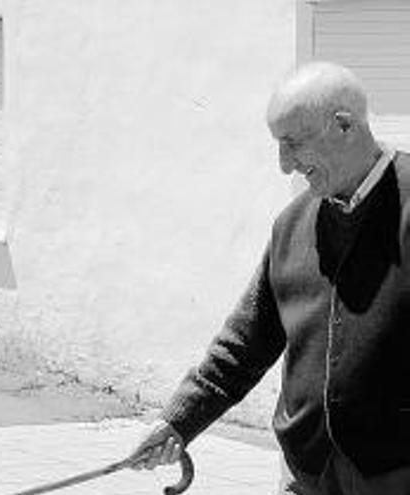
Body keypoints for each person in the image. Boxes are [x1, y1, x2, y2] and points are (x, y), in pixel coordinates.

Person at [126, 61, 410, 495]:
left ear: (344, 125)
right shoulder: (292, 226)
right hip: (308, 472)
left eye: (292, 144)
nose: (284, 165)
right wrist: (178, 423)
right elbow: (243, 346)